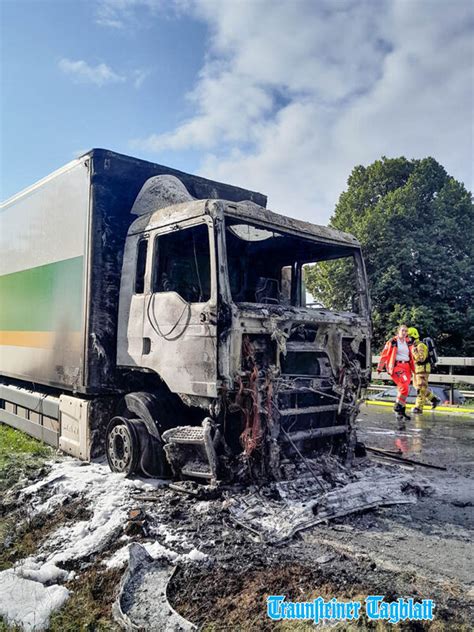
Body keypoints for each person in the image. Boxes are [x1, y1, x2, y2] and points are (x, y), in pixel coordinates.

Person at [377, 324, 414, 423]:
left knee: (405, 388)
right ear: (398, 331)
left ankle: (401, 410)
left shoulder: (409, 342)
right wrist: (380, 367)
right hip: (396, 366)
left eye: (406, 331)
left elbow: (413, 355)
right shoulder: (392, 341)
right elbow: (384, 354)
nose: (405, 333)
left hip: (407, 367)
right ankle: (397, 407)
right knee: (404, 387)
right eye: (403, 331)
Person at [407, 327, 441, 414]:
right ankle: (434, 399)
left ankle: (418, 407)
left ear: (414, 336)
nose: (408, 339)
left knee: (420, 389)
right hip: (416, 370)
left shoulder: (420, 346)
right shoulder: (413, 346)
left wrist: (414, 352)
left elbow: (421, 359)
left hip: (422, 370)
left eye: (409, 337)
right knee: (419, 387)